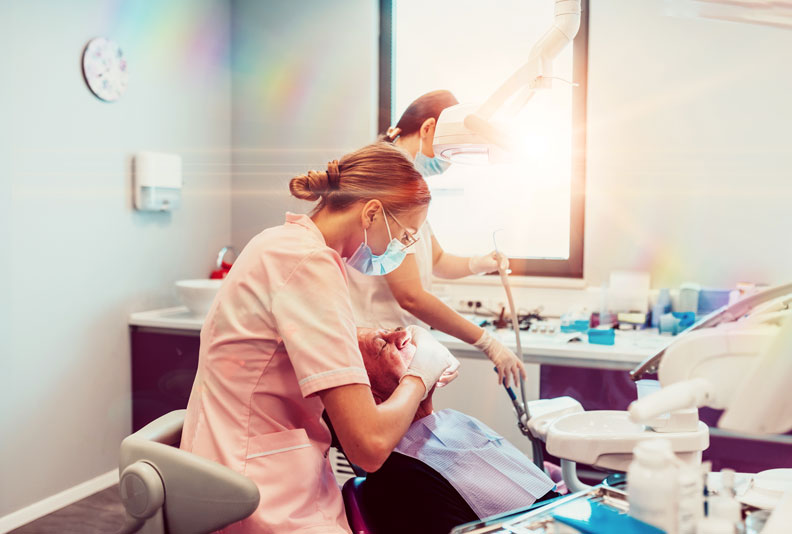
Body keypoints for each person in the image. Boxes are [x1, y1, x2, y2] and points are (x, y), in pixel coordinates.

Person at [179, 143, 457, 533]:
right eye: (406, 236)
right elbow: (368, 447)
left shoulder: (279, 242)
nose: (401, 249)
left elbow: (275, 345)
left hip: (235, 463)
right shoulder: (310, 263)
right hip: (257, 493)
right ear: (372, 212)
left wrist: (373, 338)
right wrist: (422, 371)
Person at [348, 90, 527, 388]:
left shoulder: (410, 190)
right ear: (428, 128)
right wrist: (487, 342)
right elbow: (411, 295)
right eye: (448, 149)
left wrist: (479, 263)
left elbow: (437, 261)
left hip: (399, 347)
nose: (449, 161)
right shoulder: (391, 184)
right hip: (378, 347)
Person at [352, 327, 560, 534]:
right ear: (372, 398)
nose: (403, 336)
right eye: (382, 345)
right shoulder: (399, 477)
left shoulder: (449, 421)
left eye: (394, 329)